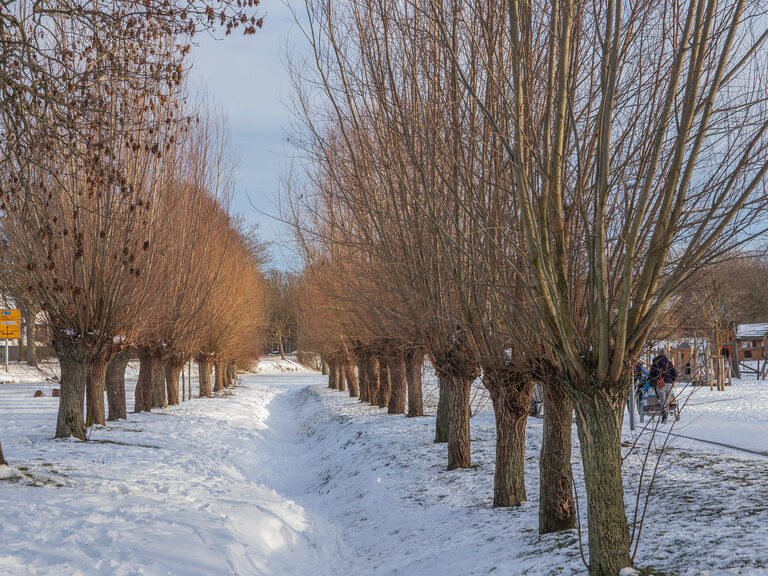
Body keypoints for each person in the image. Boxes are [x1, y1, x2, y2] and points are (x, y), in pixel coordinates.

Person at [649, 348, 678, 423]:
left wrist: (654, 382)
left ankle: (664, 416)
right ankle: (668, 413)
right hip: (668, 383)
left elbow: (651, 375)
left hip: (659, 384)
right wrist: (672, 380)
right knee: (667, 399)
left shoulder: (655, 363)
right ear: (666, 355)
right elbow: (675, 373)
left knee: (663, 400)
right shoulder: (669, 363)